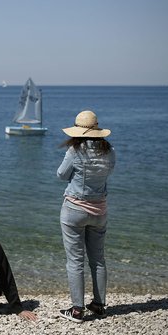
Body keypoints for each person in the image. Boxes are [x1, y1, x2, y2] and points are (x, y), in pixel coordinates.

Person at [57, 110, 116, 323]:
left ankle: (77, 310)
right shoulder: (109, 151)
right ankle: (99, 306)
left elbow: (61, 174)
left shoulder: (75, 151)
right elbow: (109, 172)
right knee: (98, 259)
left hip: (74, 210)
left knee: (75, 260)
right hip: (99, 210)